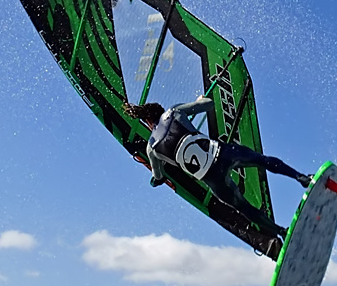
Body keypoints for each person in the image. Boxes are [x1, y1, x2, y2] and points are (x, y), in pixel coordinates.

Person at [124, 96, 311, 242]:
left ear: (148, 122)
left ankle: (281, 232)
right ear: (160, 111)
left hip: (212, 179)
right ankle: (301, 178)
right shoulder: (173, 111)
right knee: (262, 160)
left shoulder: (152, 148)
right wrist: (198, 101)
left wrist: (155, 180)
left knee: (243, 207)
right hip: (222, 154)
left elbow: (159, 176)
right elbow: (209, 104)